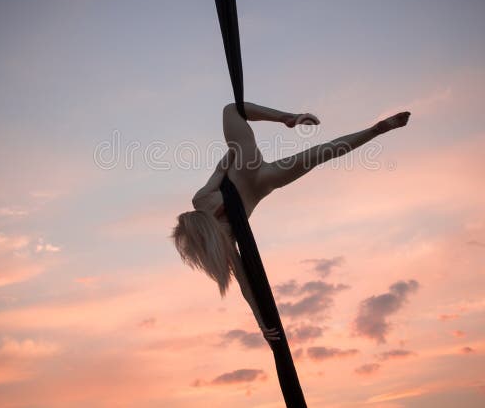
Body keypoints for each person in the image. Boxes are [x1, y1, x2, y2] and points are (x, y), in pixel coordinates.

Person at [171, 102, 410, 341]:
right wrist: (237, 144)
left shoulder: (227, 241)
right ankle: (288, 117)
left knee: (320, 153)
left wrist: (262, 324)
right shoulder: (201, 201)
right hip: (246, 163)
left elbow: (247, 286)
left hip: (265, 181)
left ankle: (374, 131)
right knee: (231, 110)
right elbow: (222, 166)